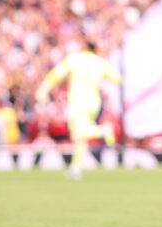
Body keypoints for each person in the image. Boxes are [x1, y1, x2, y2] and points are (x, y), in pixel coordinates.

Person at [36, 40, 122, 180]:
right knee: (80, 138)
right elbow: (117, 78)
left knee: (77, 133)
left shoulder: (75, 59)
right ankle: (76, 167)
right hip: (94, 102)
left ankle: (103, 130)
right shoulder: (100, 62)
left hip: (77, 101)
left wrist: (43, 89)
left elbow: (57, 74)